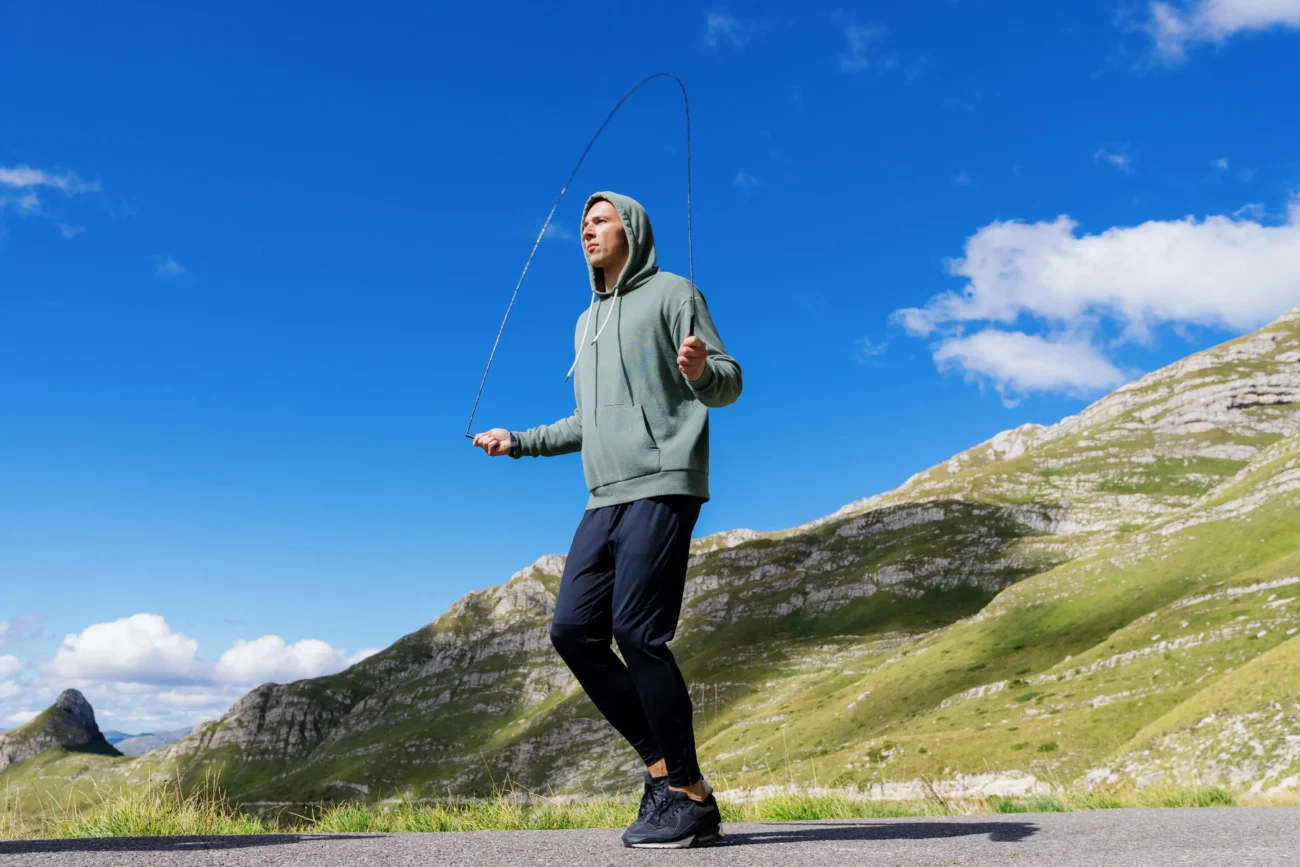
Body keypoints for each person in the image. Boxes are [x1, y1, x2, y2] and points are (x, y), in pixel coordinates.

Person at [472, 191, 742, 848]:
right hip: (604, 495)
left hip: (665, 481)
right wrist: (521, 441)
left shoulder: (675, 293)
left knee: (638, 631)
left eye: (600, 220)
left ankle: (691, 796)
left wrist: (701, 371)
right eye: (582, 224)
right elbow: (586, 422)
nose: (588, 231)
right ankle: (664, 774)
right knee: (572, 630)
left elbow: (729, 380)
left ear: (633, 229)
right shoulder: (584, 322)